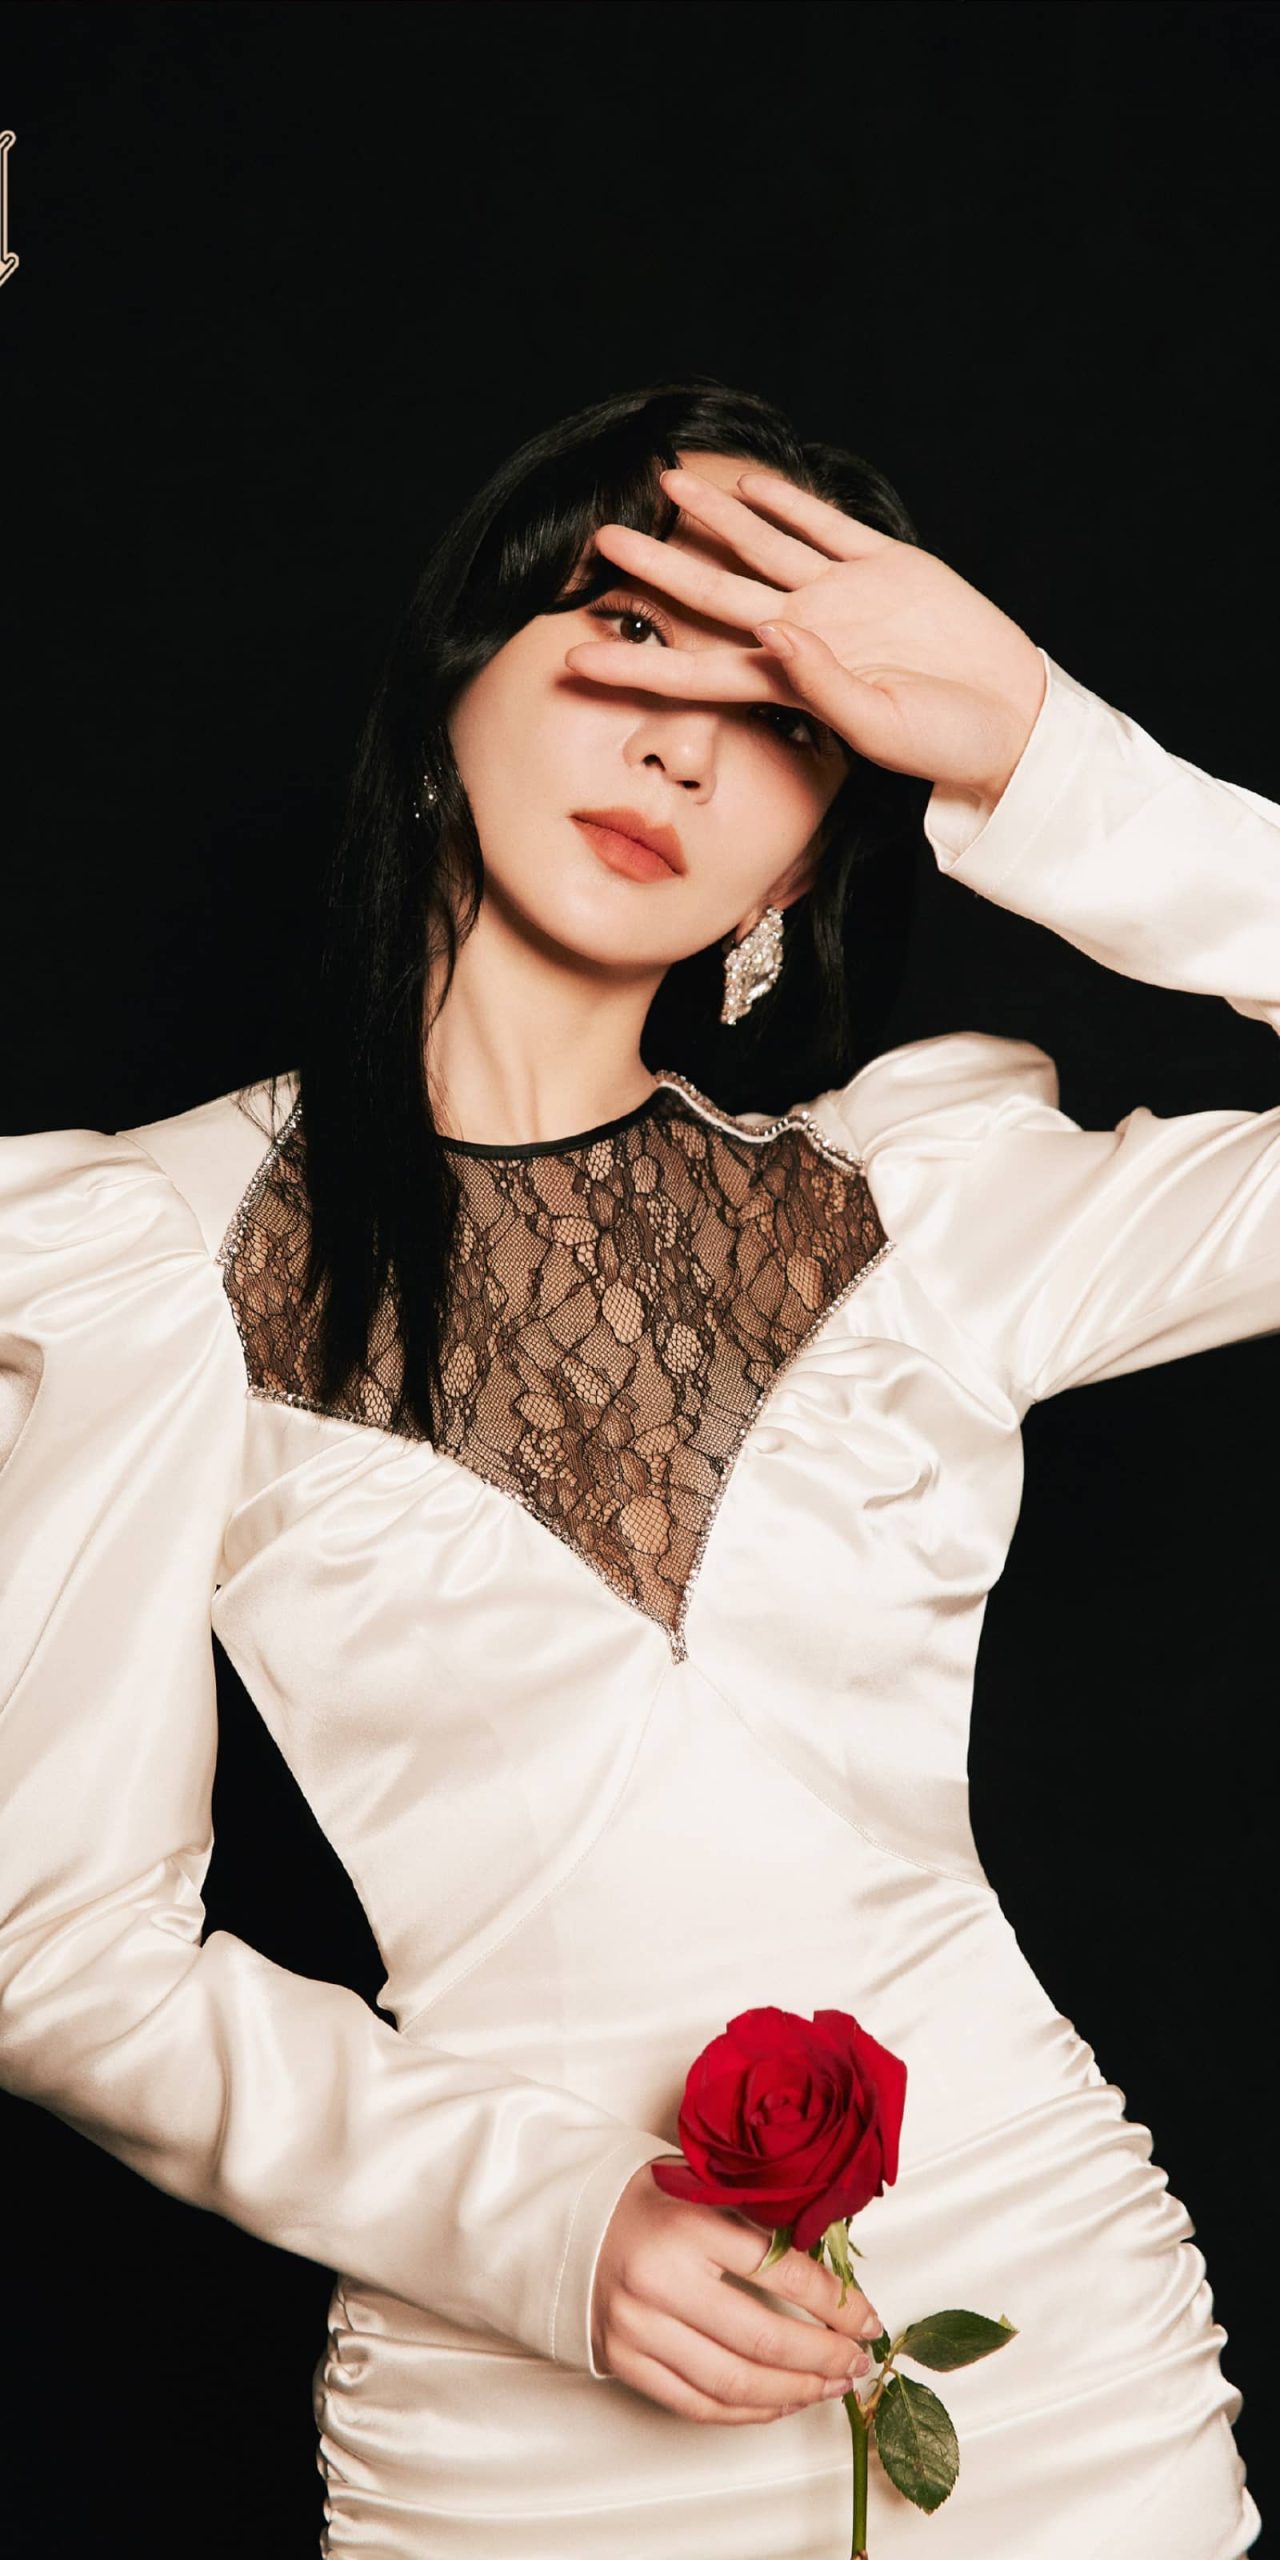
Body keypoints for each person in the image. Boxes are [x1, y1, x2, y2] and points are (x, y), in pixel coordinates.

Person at [0, 378, 1268, 2560]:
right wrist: (544, 2226)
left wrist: (1051, 755)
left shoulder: (933, 1205)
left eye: (783, 715)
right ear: (449, 691)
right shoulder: (140, 1252)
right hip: (529, 2425)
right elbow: (56, 1945)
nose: (682, 747)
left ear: (819, 847)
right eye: (625, 634)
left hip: (1044, 2366)